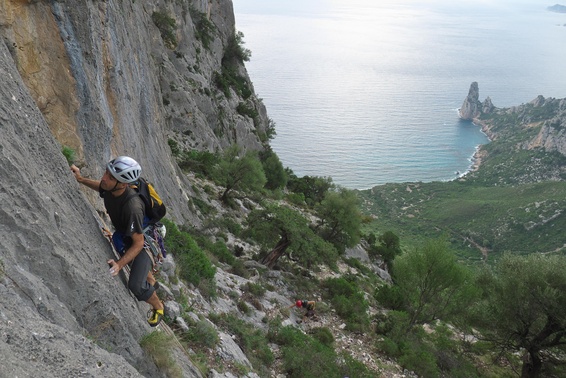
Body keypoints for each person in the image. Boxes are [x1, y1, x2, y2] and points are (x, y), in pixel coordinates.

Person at [71, 156, 164, 327]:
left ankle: (158, 307)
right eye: (107, 172)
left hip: (145, 241)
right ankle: (150, 280)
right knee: (118, 239)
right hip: (127, 233)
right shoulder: (112, 187)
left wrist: (119, 265)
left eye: (111, 177)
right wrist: (80, 179)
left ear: (123, 184)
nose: (105, 178)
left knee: (135, 285)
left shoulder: (132, 207)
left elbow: (138, 243)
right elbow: (101, 187)